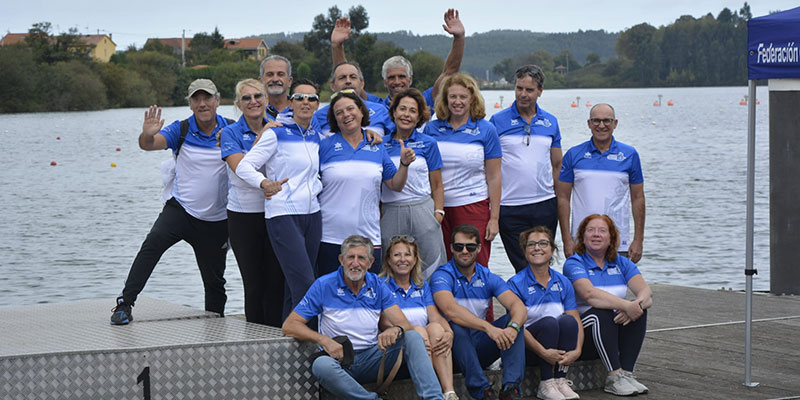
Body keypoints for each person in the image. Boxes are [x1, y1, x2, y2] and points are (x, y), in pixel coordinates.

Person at [111, 79, 232, 325]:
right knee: (152, 244)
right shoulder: (181, 129)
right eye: (196, 99)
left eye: (207, 98)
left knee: (214, 281)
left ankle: (216, 323)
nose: (202, 103)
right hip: (181, 212)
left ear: (217, 101)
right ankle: (124, 304)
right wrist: (146, 134)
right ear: (190, 104)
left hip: (217, 220)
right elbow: (149, 145)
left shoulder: (231, 129)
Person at [282, 235, 444, 400]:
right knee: (321, 365)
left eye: (361, 258)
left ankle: (434, 398)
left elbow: (405, 325)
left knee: (412, 337)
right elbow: (290, 326)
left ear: (370, 262)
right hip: (339, 360)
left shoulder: (378, 284)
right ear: (341, 260)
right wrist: (324, 340)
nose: (355, 263)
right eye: (350, 257)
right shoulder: (324, 285)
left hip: (374, 358)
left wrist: (395, 329)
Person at [234, 79, 323, 321]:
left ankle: (289, 339)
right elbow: (244, 166)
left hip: (312, 215)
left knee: (294, 283)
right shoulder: (276, 133)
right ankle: (310, 341)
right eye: (300, 98)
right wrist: (264, 183)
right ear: (290, 103)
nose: (306, 102)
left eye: (311, 98)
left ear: (317, 104)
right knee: (305, 282)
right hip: (283, 214)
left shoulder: (317, 136)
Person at [316, 90, 414, 277]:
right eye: (339, 112)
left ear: (362, 112)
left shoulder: (377, 146)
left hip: (368, 238)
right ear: (334, 120)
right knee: (331, 298)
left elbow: (395, 184)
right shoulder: (325, 146)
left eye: (350, 109)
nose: (346, 115)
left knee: (368, 298)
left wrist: (404, 164)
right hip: (330, 236)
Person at [431, 224, 526, 400]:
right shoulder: (442, 275)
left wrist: (513, 327)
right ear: (451, 248)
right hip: (451, 351)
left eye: (470, 246)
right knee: (456, 326)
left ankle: (511, 389)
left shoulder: (487, 276)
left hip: (479, 346)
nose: (464, 251)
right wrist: (488, 328)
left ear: (479, 248)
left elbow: (517, 305)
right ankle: (481, 391)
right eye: (459, 247)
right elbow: (450, 310)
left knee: (513, 323)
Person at [562, 215, 653, 396]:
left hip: (612, 334)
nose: (596, 235)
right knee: (600, 313)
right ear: (582, 236)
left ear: (611, 237)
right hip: (583, 334)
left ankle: (626, 374)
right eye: (591, 230)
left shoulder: (621, 262)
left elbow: (647, 294)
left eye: (602, 231)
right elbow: (590, 295)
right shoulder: (574, 263)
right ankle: (613, 378)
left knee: (639, 309)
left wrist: (635, 306)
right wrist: (626, 306)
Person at [219, 79, 283, 326]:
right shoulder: (229, 133)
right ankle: (256, 336)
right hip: (244, 217)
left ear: (267, 99)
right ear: (238, 104)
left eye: (258, 96)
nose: (253, 101)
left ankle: (277, 334)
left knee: (277, 280)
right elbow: (240, 169)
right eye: (246, 98)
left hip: (275, 212)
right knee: (254, 282)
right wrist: (263, 138)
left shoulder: (279, 126)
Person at [424, 73, 501, 272]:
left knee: (476, 266)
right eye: (453, 97)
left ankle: (481, 303)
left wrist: (494, 218)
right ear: (445, 99)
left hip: (473, 206)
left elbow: (494, 177)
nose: (457, 102)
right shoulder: (431, 129)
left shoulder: (486, 129)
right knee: (441, 268)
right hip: (438, 209)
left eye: (463, 97)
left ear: (472, 99)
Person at [490, 65, 563, 272]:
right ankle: (520, 304)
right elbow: (489, 168)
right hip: (510, 206)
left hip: (544, 204)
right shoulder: (497, 121)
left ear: (540, 91)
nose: (523, 94)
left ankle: (542, 304)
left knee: (542, 263)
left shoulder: (551, 122)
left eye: (529, 90)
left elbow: (557, 165)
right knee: (522, 266)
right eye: (519, 88)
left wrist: (560, 201)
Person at [331, 8, 465, 114]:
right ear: (385, 82)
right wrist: (337, 46)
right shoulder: (376, 106)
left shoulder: (424, 101)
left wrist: (459, 38)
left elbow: (449, 72)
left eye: (402, 76)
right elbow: (345, 78)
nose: (397, 82)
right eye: (391, 77)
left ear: (410, 79)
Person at [557, 103, 645, 262]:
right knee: (581, 287)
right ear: (589, 124)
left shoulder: (630, 155)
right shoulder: (573, 155)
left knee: (617, 287)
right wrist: (566, 239)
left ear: (615, 123)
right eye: (596, 121)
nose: (601, 125)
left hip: (618, 242)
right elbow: (563, 198)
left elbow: (638, 198)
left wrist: (638, 240)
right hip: (581, 242)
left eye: (607, 121)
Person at [506, 227, 582, 400]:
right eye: (531, 244)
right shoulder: (515, 284)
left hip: (557, 352)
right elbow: (515, 327)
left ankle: (560, 380)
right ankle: (546, 383)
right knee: (549, 322)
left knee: (568, 321)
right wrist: (543, 352)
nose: (537, 248)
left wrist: (577, 350)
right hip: (529, 349)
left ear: (552, 249)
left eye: (543, 243)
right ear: (525, 252)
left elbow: (575, 319)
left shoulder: (563, 281)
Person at [379, 235, 457, 400]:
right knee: (419, 331)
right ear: (389, 260)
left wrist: (449, 333)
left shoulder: (422, 286)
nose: (402, 259)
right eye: (397, 255)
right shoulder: (381, 285)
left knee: (436, 329)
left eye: (407, 255)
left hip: (427, 345)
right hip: (398, 349)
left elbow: (435, 317)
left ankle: (449, 393)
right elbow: (384, 323)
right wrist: (413, 332)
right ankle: (430, 393)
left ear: (415, 260)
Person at [380, 88, 447, 279]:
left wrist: (438, 213)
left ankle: (433, 306)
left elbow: (437, 184)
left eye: (412, 111)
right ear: (393, 112)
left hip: (422, 208)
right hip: (391, 210)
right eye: (402, 109)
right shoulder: (380, 144)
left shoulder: (429, 143)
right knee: (391, 266)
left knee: (432, 264)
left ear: (419, 117)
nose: (406, 115)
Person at [313, 61, 395, 138]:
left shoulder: (380, 110)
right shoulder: (318, 116)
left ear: (362, 84)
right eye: (342, 78)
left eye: (353, 77)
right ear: (332, 86)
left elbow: (395, 141)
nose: (348, 81)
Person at [259, 55, 293, 120]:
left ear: (289, 81)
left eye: (280, 74)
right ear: (261, 81)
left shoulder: (300, 110)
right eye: (270, 74)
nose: (275, 79)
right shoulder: (253, 112)